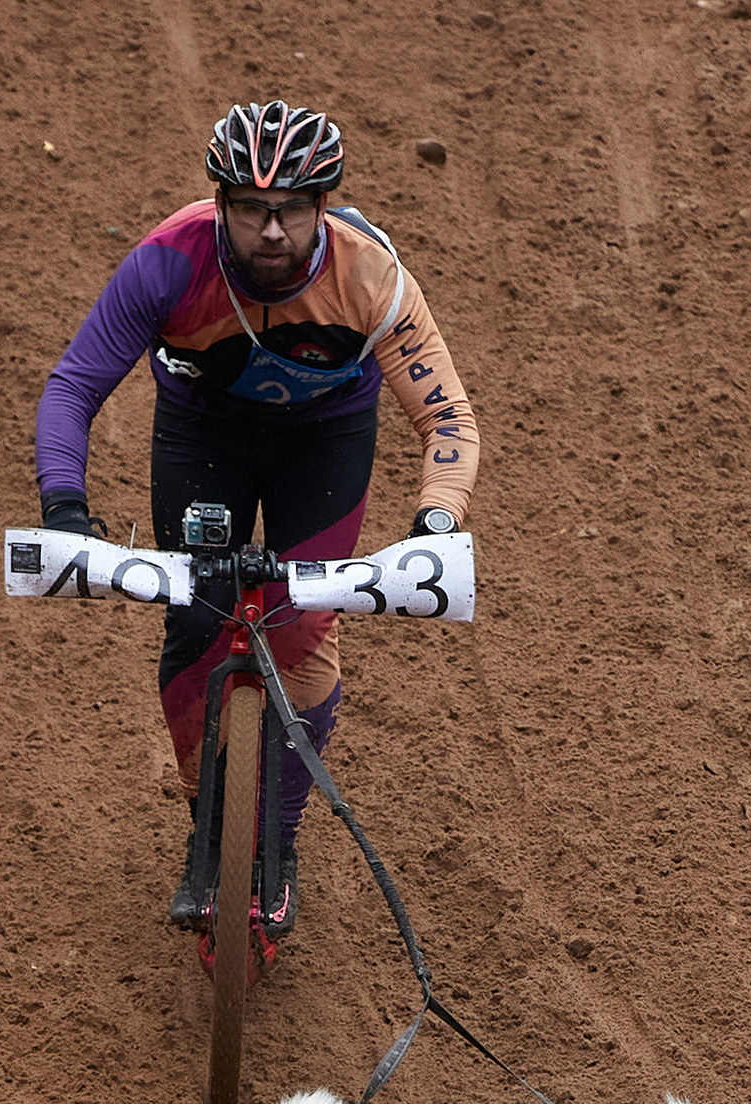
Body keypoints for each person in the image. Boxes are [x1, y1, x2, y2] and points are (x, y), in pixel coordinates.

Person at [33, 99, 479, 942]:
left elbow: (448, 419)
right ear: (221, 206)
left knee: (304, 623)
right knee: (197, 617)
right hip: (206, 436)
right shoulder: (168, 262)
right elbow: (73, 388)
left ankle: (275, 840)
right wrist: (66, 504)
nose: (271, 232)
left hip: (327, 442)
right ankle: (209, 836)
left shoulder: (372, 275)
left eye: (292, 211)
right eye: (249, 211)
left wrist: (433, 520)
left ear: (323, 207)